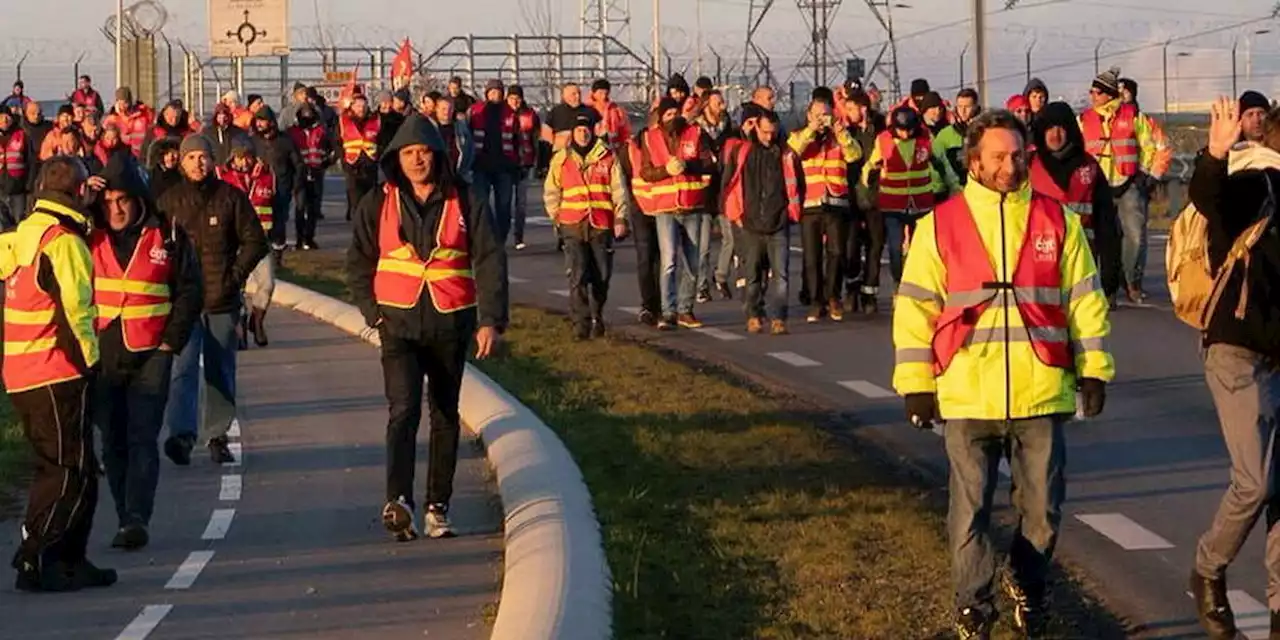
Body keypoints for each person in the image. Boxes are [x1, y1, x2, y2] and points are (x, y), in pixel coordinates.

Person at [893, 109, 1114, 639]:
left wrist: (1095, 370)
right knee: (968, 512)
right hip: (968, 393)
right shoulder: (940, 224)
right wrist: (917, 385)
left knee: (1043, 512)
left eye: (1018, 155)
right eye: (998, 156)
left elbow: (1086, 299)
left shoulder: (1056, 220)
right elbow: (915, 307)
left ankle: (1028, 579)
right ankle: (973, 604)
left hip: (1041, 391)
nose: (1010, 165)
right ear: (974, 161)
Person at [347, 113, 507, 541]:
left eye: (424, 153)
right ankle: (399, 501)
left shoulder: (465, 199)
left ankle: (439, 505)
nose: (417, 160)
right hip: (396, 323)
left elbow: (489, 259)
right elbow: (358, 260)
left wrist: (491, 320)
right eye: (409, 153)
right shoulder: (377, 203)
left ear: (438, 157)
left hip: (450, 322)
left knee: (443, 414)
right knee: (402, 411)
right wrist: (370, 311)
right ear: (395, 159)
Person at [1185, 96, 1280, 640]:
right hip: (1237, 352)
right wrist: (1215, 154)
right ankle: (1207, 568)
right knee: (1257, 481)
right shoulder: (1256, 182)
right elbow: (1210, 198)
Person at [3, 155, 115, 592]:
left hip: (21, 370)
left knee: (73, 467)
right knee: (68, 469)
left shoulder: (24, 234)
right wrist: (91, 362)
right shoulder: (63, 241)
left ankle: (72, 559)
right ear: (76, 191)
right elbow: (77, 310)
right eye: (87, 189)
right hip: (55, 370)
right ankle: (36, 557)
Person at [89, 153, 201, 551]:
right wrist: (88, 196)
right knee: (113, 442)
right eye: (109, 202)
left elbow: (190, 289)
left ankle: (137, 517)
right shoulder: (89, 234)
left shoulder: (167, 234)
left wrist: (172, 340)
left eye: (123, 201)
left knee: (142, 437)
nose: (115, 209)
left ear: (138, 199)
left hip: (152, 351)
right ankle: (123, 514)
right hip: (103, 352)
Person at [158, 135, 269, 466]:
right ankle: (181, 436)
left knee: (220, 370)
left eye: (203, 157)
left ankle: (217, 435)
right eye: (190, 157)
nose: (197, 163)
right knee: (183, 369)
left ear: (213, 161)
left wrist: (234, 278)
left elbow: (255, 242)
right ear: (180, 161)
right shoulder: (169, 202)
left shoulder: (231, 198)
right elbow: (157, 245)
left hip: (222, 300)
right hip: (183, 303)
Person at [1080, 66, 1170, 305]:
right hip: (1097, 186)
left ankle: (1132, 282)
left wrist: (1147, 175)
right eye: (1091, 91)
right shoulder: (1083, 120)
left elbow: (1153, 145)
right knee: (1098, 239)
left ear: (1109, 94)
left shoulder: (1135, 117)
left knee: (1135, 236)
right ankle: (1101, 286)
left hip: (1129, 183)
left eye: (1097, 92)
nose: (1092, 96)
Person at [631, 97, 714, 330]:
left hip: (692, 205)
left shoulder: (695, 133)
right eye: (668, 114)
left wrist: (689, 166)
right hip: (665, 207)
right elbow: (646, 172)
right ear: (661, 116)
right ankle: (668, 311)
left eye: (676, 113)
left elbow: (709, 163)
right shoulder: (650, 137)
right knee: (669, 262)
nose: (673, 118)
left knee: (693, 262)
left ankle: (685, 309)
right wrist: (666, 171)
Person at [544, 113, 630, 339]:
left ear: (593, 131)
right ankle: (580, 324)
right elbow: (551, 191)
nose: (582, 133)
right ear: (572, 133)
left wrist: (621, 218)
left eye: (586, 129)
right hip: (572, 224)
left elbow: (619, 190)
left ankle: (597, 315)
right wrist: (556, 217)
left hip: (601, 225)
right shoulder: (561, 159)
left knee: (601, 276)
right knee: (578, 274)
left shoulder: (607, 157)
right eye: (578, 129)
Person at [1030, 101, 1121, 305]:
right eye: (1050, 128)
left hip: (1082, 262)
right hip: (1038, 265)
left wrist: (1110, 274)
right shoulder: (1027, 168)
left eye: (1061, 127)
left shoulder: (1089, 168)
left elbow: (1106, 223)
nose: (1056, 134)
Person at [720, 109, 801, 336]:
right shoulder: (743, 151)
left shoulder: (785, 154)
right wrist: (734, 214)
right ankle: (753, 315)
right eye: (765, 132)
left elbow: (797, 186)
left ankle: (779, 318)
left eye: (772, 133)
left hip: (778, 224)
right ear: (757, 128)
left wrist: (788, 213)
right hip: (751, 224)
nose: (768, 137)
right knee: (752, 274)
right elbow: (728, 182)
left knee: (781, 275)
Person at [789, 98, 862, 323]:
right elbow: (794, 152)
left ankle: (833, 296)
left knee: (837, 253)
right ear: (809, 115)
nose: (822, 119)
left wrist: (841, 132)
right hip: (811, 203)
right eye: (818, 114)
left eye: (826, 114)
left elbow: (854, 155)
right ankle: (816, 301)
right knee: (811, 258)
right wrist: (812, 130)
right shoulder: (799, 135)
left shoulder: (839, 137)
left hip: (836, 201)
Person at [862, 105, 946, 288]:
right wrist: (868, 185)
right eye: (902, 130)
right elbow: (869, 166)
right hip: (893, 204)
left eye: (909, 130)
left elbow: (941, 163)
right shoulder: (883, 140)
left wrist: (947, 185)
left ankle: (917, 283)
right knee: (894, 248)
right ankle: (898, 281)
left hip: (921, 203)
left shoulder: (926, 139)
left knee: (921, 248)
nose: (906, 134)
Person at [216, 139, 277, 348]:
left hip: (260, 240)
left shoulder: (267, 175)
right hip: (232, 240)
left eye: (247, 157)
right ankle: (239, 326)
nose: (243, 162)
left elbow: (279, 205)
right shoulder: (222, 178)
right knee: (236, 286)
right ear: (232, 158)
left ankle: (257, 320)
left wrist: (279, 234)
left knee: (267, 283)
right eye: (239, 157)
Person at [840, 87, 886, 313]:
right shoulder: (845, 132)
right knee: (851, 246)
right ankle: (852, 287)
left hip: (877, 196)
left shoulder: (880, 131)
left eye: (851, 108)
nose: (847, 113)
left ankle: (870, 293)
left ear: (863, 109)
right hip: (851, 196)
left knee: (875, 245)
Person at [697, 89, 742, 300]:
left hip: (725, 190)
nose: (721, 105)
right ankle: (701, 285)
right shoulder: (697, 130)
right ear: (706, 105)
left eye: (722, 101)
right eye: (717, 102)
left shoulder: (730, 128)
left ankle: (721, 276)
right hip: (704, 192)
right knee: (703, 244)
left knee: (730, 239)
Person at [468, 79, 521, 246]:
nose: (495, 94)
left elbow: (517, 140)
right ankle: (484, 237)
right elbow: (468, 136)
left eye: (498, 92)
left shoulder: (510, 113)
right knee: (481, 204)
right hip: (481, 165)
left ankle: (500, 239)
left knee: (504, 206)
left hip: (504, 166)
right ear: (486, 93)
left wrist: (518, 164)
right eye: (492, 91)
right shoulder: (476, 111)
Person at [249, 105, 302, 253]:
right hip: (259, 190)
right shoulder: (253, 141)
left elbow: (297, 164)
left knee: (279, 219)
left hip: (281, 187)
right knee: (259, 219)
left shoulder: (285, 140)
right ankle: (260, 248)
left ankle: (278, 249)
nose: (259, 124)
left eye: (262, 121)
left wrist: (296, 185)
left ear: (271, 122)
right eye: (257, 121)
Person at [287, 104, 336, 250]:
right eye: (304, 113)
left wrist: (327, 161)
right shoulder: (292, 132)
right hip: (299, 173)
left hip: (317, 172)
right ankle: (299, 239)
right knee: (300, 206)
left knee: (314, 208)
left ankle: (309, 238)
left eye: (310, 113)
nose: (307, 116)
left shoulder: (321, 131)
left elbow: (333, 148)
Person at [339, 90, 382, 222]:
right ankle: (358, 224)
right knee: (356, 199)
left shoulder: (375, 120)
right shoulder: (344, 120)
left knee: (370, 200)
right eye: (358, 106)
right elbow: (337, 142)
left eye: (363, 106)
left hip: (370, 165)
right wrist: (343, 161)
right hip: (352, 165)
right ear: (352, 107)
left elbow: (381, 140)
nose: (361, 109)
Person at [507, 85, 540, 250]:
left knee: (521, 203)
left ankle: (518, 237)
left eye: (517, 98)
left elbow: (536, 137)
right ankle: (502, 236)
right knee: (504, 203)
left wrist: (536, 160)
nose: (515, 101)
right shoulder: (502, 115)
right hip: (505, 164)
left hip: (524, 163)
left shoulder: (530, 114)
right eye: (512, 98)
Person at [933, 89, 980, 189]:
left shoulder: (986, 132)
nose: (963, 111)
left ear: (975, 107)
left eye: (967, 107)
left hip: (980, 191)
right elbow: (937, 163)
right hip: (954, 192)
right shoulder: (945, 134)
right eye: (960, 107)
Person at [0, 108, 35, 228]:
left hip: (18, 189)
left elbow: (31, 161)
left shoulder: (22, 135)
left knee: (20, 224)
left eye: (7, 117)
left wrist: (29, 185)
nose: (4, 120)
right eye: (1, 117)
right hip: (0, 191)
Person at [432, 97, 475, 185]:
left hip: (458, 176)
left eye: (450, 109)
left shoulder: (461, 127)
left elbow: (470, 149)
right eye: (443, 109)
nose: (447, 112)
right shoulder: (429, 127)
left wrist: (465, 170)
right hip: (435, 177)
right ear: (436, 109)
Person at [103, 88, 154, 160]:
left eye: (125, 103)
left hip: (142, 155)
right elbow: (104, 138)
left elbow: (153, 129)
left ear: (130, 102)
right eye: (120, 103)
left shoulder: (144, 113)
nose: (122, 106)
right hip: (120, 156)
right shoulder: (112, 118)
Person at [142, 100, 195, 167]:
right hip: (158, 170)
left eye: (177, 117)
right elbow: (144, 155)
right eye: (171, 117)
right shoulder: (154, 131)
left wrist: (194, 124)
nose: (174, 121)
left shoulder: (187, 131)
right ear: (164, 114)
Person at [543, 82, 591, 153]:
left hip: (584, 154)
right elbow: (546, 133)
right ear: (564, 96)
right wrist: (556, 141)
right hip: (561, 154)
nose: (577, 96)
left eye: (579, 93)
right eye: (574, 94)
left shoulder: (589, 111)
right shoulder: (556, 112)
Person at [586, 78, 632, 149]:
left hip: (613, 148)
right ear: (593, 93)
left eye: (606, 93)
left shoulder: (616, 110)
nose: (603, 96)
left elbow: (625, 130)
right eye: (600, 93)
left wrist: (625, 145)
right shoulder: (586, 109)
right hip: (591, 149)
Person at [147, 136, 183, 201]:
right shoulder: (150, 177)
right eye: (166, 154)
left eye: (174, 153)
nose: (170, 157)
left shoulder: (183, 176)